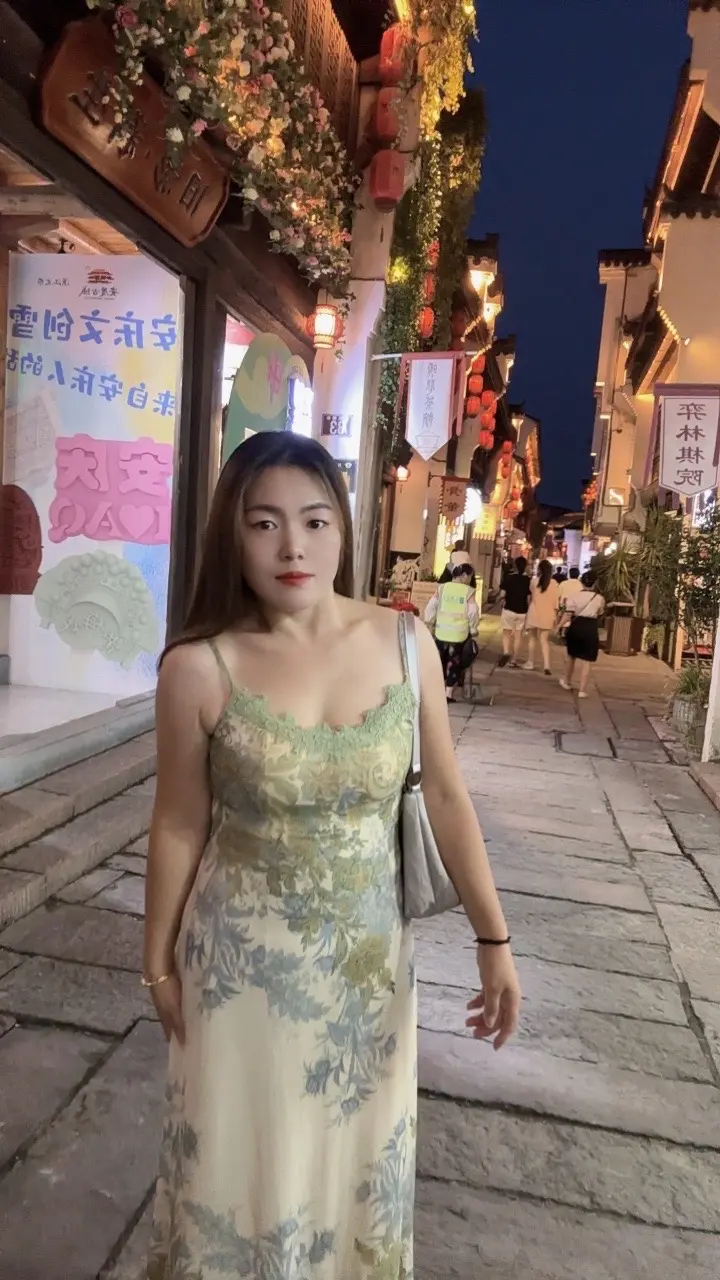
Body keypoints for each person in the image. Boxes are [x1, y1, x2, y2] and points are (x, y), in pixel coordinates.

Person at [143, 433, 520, 1280]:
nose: (293, 547)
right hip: (238, 978)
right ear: (231, 535)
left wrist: (494, 940)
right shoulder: (199, 668)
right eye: (264, 523)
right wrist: (156, 961)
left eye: (315, 522)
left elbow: (447, 797)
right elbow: (177, 824)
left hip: (366, 982)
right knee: (234, 1171)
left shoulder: (405, 644)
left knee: (352, 1175)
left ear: (344, 531)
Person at [425, 562, 479, 702]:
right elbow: (473, 612)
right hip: (458, 634)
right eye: (470, 576)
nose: (470, 579)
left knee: (439, 661)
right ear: (464, 575)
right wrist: (473, 628)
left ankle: (434, 690)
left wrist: (429, 622)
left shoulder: (442, 588)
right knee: (454, 663)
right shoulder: (468, 591)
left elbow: (431, 606)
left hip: (441, 632)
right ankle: (448, 694)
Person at [559, 570, 605, 698]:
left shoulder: (574, 596)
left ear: (581, 582)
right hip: (590, 627)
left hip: (576, 626)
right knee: (587, 660)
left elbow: (568, 614)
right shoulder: (599, 598)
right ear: (595, 583)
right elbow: (600, 613)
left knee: (571, 656)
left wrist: (559, 625)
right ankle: (582, 690)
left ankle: (567, 682)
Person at [523, 558, 560, 675]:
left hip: (534, 612)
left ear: (539, 569)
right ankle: (547, 666)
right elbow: (556, 602)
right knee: (544, 641)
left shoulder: (534, 582)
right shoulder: (554, 584)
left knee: (532, 639)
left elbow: (530, 597)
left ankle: (530, 662)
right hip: (548, 614)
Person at [497, 555, 531, 668]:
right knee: (518, 635)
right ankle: (514, 660)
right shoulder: (528, 580)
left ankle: (506, 652)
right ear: (525, 566)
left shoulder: (509, 578)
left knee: (506, 632)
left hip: (509, 609)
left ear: (515, 566)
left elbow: (502, 595)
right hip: (522, 611)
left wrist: (501, 600)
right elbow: (529, 599)